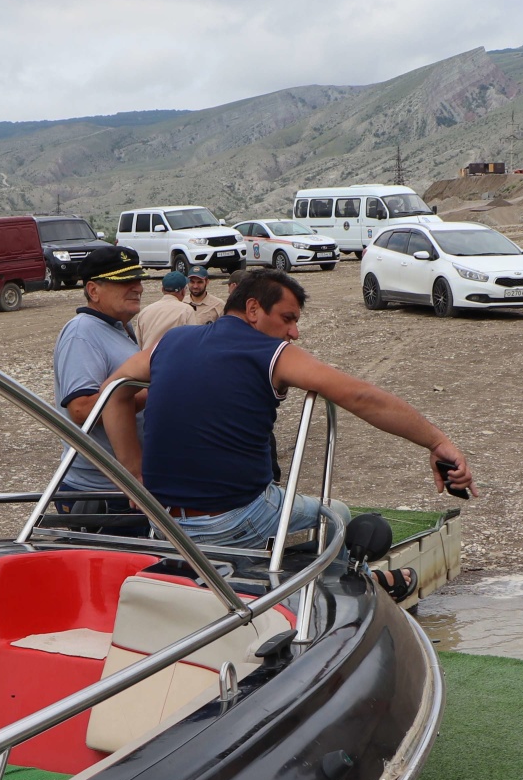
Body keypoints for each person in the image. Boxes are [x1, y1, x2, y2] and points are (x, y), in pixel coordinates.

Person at [98, 269, 472, 583]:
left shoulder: (172, 341)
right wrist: (437, 441)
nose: (294, 333)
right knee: (335, 514)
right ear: (254, 309)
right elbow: (362, 397)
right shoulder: (269, 353)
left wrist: (133, 474)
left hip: (162, 521)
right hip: (233, 519)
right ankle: (334, 601)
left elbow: (112, 391)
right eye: (288, 319)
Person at [48, 250, 148, 527]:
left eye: (138, 280)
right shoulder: (82, 333)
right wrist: (149, 393)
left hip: (122, 486)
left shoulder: (118, 328)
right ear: (93, 290)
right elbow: (80, 410)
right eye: (124, 281)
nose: (138, 288)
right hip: (100, 492)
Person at [134, 269, 198, 348]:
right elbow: (193, 341)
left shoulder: (145, 311)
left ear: (162, 289)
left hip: (147, 359)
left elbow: (137, 345)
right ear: (183, 291)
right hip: (173, 359)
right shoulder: (186, 310)